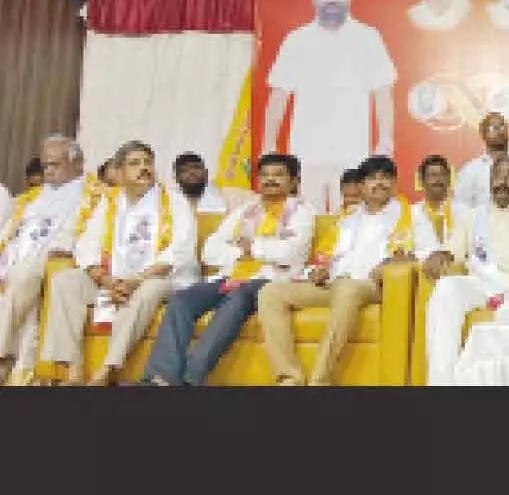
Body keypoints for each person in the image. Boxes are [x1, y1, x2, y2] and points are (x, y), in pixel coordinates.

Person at [142, 154, 313, 386]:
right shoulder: (244, 211)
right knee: (183, 300)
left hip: (268, 281)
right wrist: (245, 252)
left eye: (278, 175)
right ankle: (162, 376)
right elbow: (210, 251)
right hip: (230, 276)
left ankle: (192, 378)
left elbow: (290, 253)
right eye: (265, 175)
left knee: (237, 298)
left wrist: (251, 246)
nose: (270, 180)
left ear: (293, 181)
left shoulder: (302, 213)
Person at [41, 140, 198, 386]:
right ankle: (73, 367)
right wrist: (105, 279)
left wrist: (136, 280)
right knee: (65, 281)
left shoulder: (174, 202)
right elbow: (86, 244)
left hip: (161, 279)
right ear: (120, 172)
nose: (144, 168)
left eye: (148, 162)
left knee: (151, 288)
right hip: (114, 279)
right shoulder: (110, 202)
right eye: (135, 163)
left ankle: (109, 367)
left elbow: (180, 252)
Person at [257, 155, 410, 386]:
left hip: (370, 286)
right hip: (335, 283)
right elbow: (323, 256)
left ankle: (320, 380)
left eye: (386, 178)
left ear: (395, 184)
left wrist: (388, 266)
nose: (379, 183)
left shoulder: (405, 214)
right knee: (270, 292)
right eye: (372, 178)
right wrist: (318, 270)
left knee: (348, 289)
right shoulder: (346, 220)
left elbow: (408, 252)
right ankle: (289, 377)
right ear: (361, 186)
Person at [264, 0, 397, 213]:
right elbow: (279, 95)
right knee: (303, 222)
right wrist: (269, 144)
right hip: (306, 153)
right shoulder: (297, 40)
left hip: (353, 153)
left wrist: (385, 143)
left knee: (353, 223)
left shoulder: (368, 38)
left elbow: (383, 94)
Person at [422, 155, 509, 385]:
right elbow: (452, 251)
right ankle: (441, 381)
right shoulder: (473, 216)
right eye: (497, 175)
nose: (502, 182)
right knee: (447, 288)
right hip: (482, 283)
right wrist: (441, 254)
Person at [0, 135, 99, 386]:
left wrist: (64, 250)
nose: (48, 171)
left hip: (52, 260)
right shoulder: (34, 197)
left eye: (55, 165)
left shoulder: (93, 195)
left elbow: (93, 234)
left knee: (26, 278)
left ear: (77, 164)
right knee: (28, 302)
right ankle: (21, 369)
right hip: (17, 261)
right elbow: (10, 232)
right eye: (45, 166)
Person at [412, 155, 468, 258]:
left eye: (442, 175)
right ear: (422, 181)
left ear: (449, 180)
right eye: (432, 175)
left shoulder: (465, 212)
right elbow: (407, 252)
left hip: (457, 272)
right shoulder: (411, 214)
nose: (438, 180)